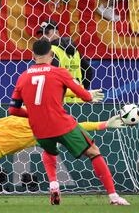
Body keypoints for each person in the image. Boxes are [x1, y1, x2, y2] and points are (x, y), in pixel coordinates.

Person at [8, 39, 129, 205]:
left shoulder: (22, 78)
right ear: (51, 55)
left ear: (33, 55)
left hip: (39, 129)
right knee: (93, 151)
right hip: (61, 124)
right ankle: (114, 196)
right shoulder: (59, 72)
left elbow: (12, 110)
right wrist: (89, 94)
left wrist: (36, 115)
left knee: (50, 151)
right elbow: (85, 96)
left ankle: (53, 184)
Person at [36, 19, 93, 103]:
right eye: (42, 34)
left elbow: (50, 78)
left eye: (47, 32)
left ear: (57, 32)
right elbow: (88, 70)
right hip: (79, 101)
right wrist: (81, 91)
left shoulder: (51, 51)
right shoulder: (75, 51)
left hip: (60, 103)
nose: (44, 36)